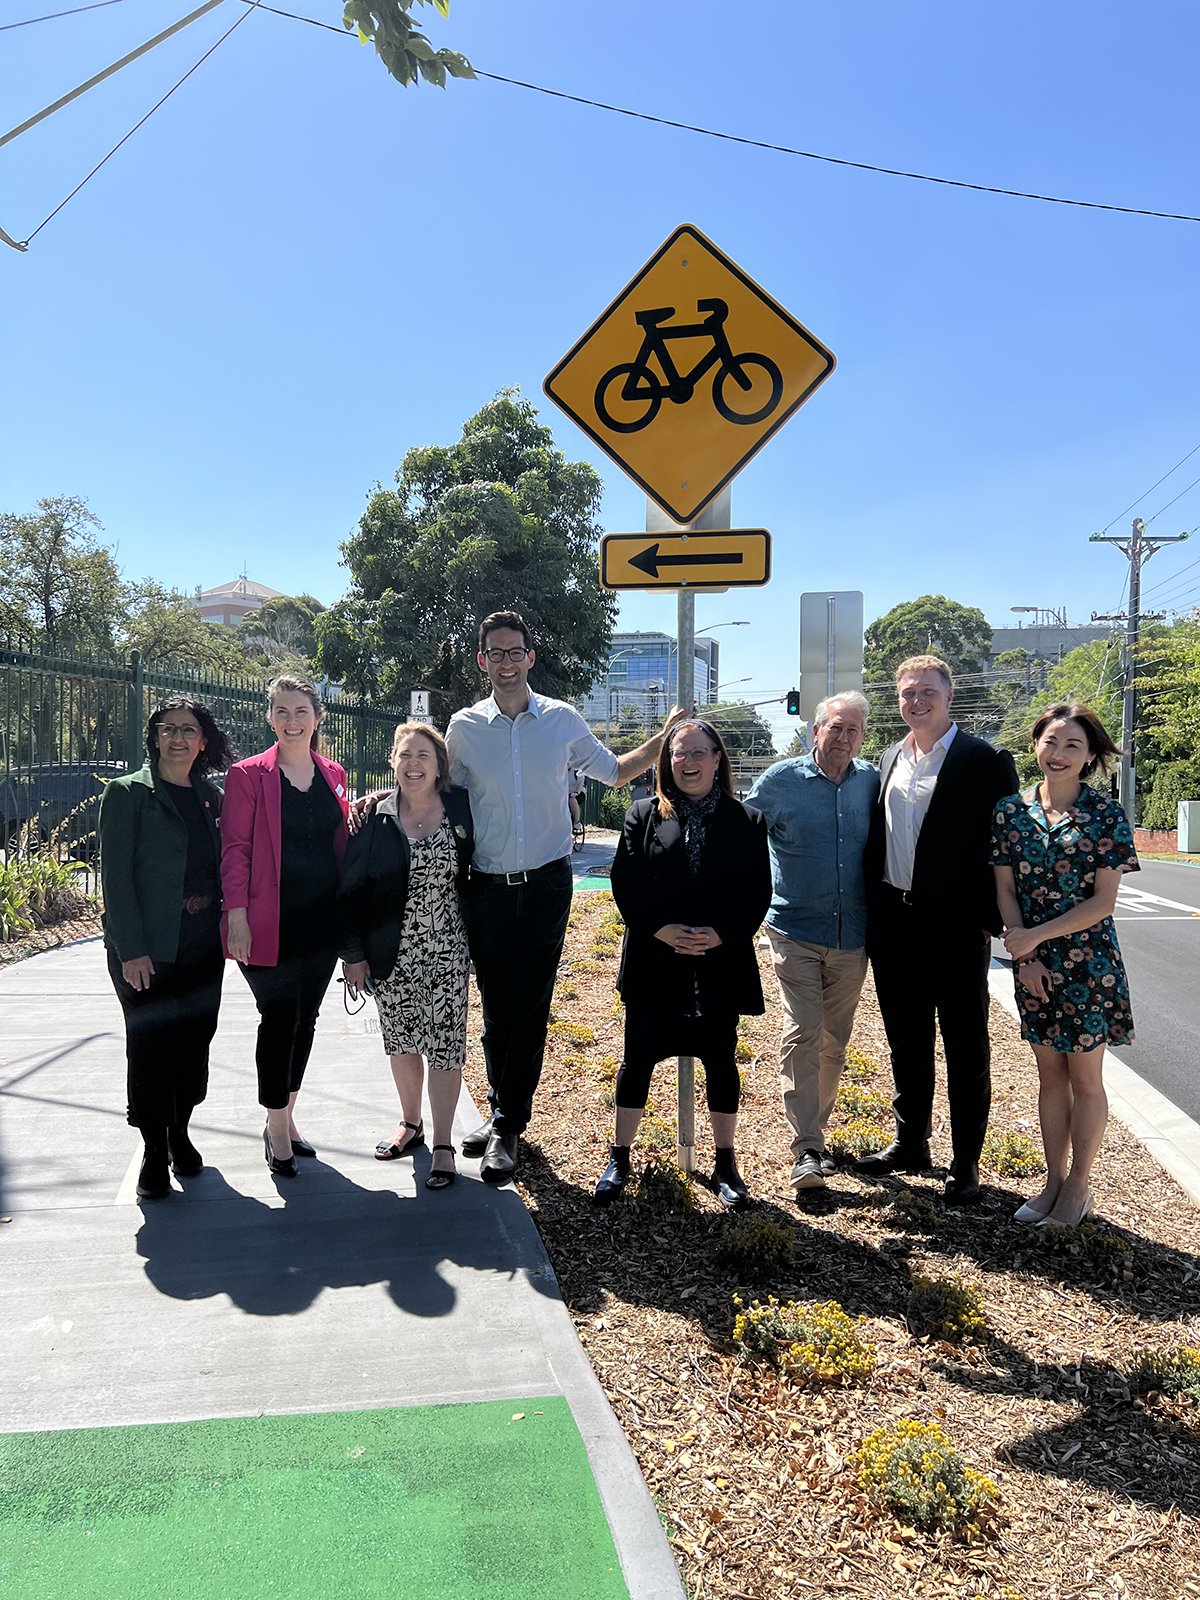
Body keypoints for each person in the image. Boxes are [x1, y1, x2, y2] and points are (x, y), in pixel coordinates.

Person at [447, 610, 685, 1183]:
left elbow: (614, 771)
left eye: (515, 652)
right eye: (495, 653)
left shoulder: (561, 720)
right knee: (495, 1007)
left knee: (529, 1005)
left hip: (547, 884)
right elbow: (437, 787)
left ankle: (508, 1124)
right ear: (483, 661)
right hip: (487, 886)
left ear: (530, 657)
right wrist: (385, 796)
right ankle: (504, 1103)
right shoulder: (463, 728)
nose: (505, 662)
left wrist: (666, 737)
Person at [857, 656, 1019, 1203]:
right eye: (907, 693)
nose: (916, 701)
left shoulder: (985, 760)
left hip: (956, 929)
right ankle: (911, 1143)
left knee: (965, 1046)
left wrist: (988, 921)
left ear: (949, 697)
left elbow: (1007, 848)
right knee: (906, 1041)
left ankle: (966, 1162)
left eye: (927, 691)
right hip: (894, 923)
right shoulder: (888, 758)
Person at [594, 719, 771, 1208]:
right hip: (656, 959)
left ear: (718, 759)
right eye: (678, 753)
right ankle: (619, 1158)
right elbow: (625, 882)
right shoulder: (642, 814)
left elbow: (757, 892)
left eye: (699, 752)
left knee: (720, 1061)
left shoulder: (747, 821)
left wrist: (722, 933)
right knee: (637, 1061)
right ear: (666, 762)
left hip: (718, 961)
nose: (688, 762)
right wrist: (660, 929)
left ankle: (725, 1163)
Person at [992, 704, 1136, 1227]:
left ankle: (1079, 1186)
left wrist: (1033, 937)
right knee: (1049, 1076)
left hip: (1087, 963)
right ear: (1036, 745)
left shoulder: (1106, 816)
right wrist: (1024, 954)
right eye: (1051, 742)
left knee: (1085, 1078)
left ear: (1091, 756)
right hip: (1033, 965)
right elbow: (1005, 888)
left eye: (1073, 746)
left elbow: (1103, 903)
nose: (1058, 754)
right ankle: (1053, 1180)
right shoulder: (1010, 811)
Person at [98, 696, 233, 1199]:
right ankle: (154, 1150)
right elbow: (115, 878)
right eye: (168, 729)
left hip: (200, 945)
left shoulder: (210, 797)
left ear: (203, 741)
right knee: (152, 1047)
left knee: (195, 1040)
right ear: (154, 737)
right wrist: (131, 948)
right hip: (146, 948)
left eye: (189, 730)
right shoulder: (128, 793)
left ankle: (180, 1131)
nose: (179, 738)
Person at [746, 692, 878, 1192]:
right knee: (803, 1030)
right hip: (794, 929)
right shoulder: (780, 781)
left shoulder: (872, 783)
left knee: (833, 1043)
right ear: (815, 731)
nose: (843, 738)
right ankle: (806, 1147)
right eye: (835, 728)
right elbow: (739, 835)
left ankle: (814, 1130)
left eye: (853, 730)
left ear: (863, 736)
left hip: (853, 934)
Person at [221, 675, 349, 1178]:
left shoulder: (333, 773)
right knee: (279, 1017)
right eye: (281, 711)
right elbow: (235, 849)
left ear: (317, 718)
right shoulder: (248, 775)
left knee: (307, 1020)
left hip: (320, 923)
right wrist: (237, 919)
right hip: (266, 923)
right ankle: (276, 1127)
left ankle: (287, 1116)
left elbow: (337, 836)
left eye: (301, 711)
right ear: (269, 717)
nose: (291, 721)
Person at [338, 722, 474, 1190]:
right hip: (391, 954)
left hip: (449, 951)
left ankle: (442, 1144)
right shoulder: (375, 818)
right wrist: (353, 955)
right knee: (401, 1042)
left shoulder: (462, 808)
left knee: (445, 1046)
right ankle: (410, 1123)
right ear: (392, 762)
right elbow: (351, 891)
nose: (413, 763)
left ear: (439, 766)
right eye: (404, 755)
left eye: (423, 756)